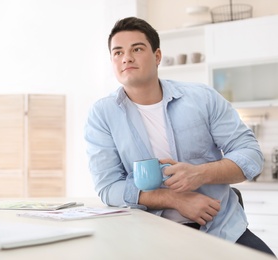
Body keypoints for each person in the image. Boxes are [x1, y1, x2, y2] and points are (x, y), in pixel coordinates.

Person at [84, 16, 276, 256]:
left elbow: (251, 155)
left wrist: (200, 174)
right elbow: (108, 187)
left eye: (137, 48)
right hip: (149, 236)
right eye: (118, 52)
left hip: (221, 229)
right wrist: (174, 199)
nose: (126, 58)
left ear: (157, 56)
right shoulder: (102, 115)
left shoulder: (202, 98)